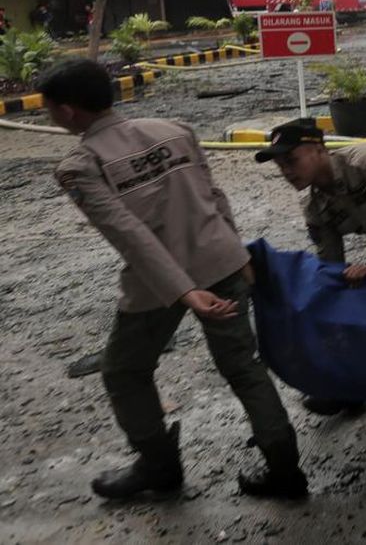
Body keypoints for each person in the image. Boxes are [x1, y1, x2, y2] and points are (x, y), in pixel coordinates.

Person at [40, 58, 307, 500]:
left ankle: (159, 466)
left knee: (125, 371)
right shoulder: (173, 129)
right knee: (243, 368)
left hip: (157, 286)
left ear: (68, 111)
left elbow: (129, 235)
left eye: (50, 108)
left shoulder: (79, 165)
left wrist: (184, 291)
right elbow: (214, 196)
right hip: (221, 265)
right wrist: (235, 253)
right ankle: (286, 470)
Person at [255, 119, 366, 415]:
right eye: (280, 166)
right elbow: (330, 267)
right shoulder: (316, 210)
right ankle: (347, 386)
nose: (287, 172)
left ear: (318, 149)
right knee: (352, 303)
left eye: (291, 160)